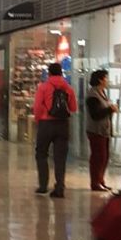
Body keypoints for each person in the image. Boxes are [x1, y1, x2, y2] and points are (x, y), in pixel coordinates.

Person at [33, 61, 77, 198]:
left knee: (41, 154)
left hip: (46, 124)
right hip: (62, 125)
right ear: (61, 73)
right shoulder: (68, 88)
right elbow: (73, 108)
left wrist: (37, 119)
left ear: (49, 73)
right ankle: (59, 187)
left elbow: (38, 106)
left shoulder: (43, 87)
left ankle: (43, 185)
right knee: (60, 158)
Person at [85, 68, 116, 191]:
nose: (107, 80)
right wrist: (110, 109)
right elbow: (95, 114)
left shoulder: (102, 93)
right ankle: (95, 182)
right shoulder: (93, 94)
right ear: (100, 80)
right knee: (98, 156)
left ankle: (100, 180)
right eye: (106, 78)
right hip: (96, 130)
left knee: (104, 156)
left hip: (104, 130)